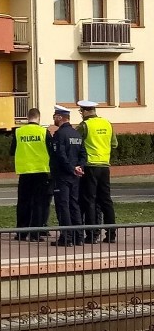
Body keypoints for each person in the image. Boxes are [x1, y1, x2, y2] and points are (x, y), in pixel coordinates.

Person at [76, 100, 119, 243]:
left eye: (81, 111)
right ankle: (111, 234)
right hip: (104, 167)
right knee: (106, 200)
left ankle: (92, 234)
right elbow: (114, 144)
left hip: (90, 166)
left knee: (90, 200)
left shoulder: (84, 125)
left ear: (86, 111)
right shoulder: (107, 123)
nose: (81, 114)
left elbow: (76, 142)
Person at [9, 108, 52, 241]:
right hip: (41, 171)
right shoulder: (44, 132)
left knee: (23, 203)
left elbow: (12, 151)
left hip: (25, 172)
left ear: (28, 117)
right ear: (38, 118)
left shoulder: (18, 132)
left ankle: (21, 233)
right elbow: (51, 151)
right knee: (38, 203)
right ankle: (36, 234)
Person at [50, 105, 86, 247]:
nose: (53, 119)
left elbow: (60, 155)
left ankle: (66, 237)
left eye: (54, 116)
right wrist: (79, 168)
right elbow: (83, 154)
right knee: (74, 204)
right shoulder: (76, 134)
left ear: (60, 117)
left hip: (62, 176)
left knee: (63, 205)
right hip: (75, 176)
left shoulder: (60, 134)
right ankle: (79, 237)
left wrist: (71, 168)